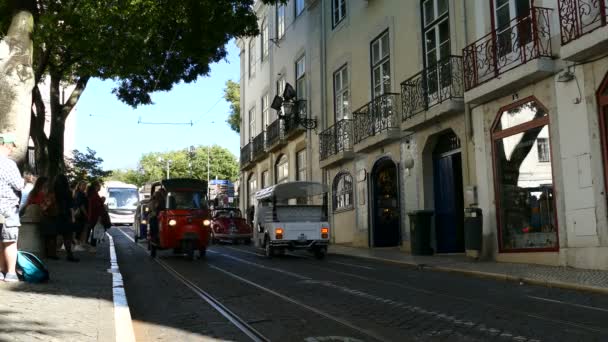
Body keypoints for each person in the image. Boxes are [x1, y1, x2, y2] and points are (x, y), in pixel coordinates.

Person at [0, 133, 24, 282]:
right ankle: (10, 273)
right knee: (9, 241)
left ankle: (0, 271)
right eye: (12, 147)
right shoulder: (8, 164)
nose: (12, 150)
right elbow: (18, 185)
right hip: (8, 207)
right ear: (6, 145)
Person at [41, 175, 79, 262]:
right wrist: (73, 217)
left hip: (53, 215)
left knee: (53, 236)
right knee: (67, 236)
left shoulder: (52, 191)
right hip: (65, 215)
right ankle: (69, 255)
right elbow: (71, 206)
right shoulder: (68, 192)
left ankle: (52, 254)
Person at [87, 181, 105, 248]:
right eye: (99, 185)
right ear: (95, 186)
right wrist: (102, 201)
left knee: (93, 230)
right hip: (94, 215)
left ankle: (91, 245)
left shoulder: (93, 193)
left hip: (92, 214)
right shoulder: (94, 194)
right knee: (95, 230)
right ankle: (92, 246)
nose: (100, 187)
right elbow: (96, 205)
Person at [72, 181, 88, 251]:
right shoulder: (80, 194)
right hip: (80, 214)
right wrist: (86, 214)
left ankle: (76, 244)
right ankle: (77, 245)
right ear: (79, 186)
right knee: (79, 229)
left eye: (85, 185)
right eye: (83, 185)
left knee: (77, 229)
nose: (84, 187)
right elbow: (81, 205)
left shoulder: (76, 193)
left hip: (77, 214)